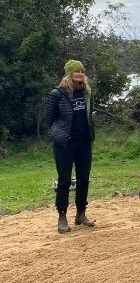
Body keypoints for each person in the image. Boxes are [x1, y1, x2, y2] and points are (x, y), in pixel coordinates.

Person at [44, 59, 96, 234]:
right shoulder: (57, 94)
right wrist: (58, 134)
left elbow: (88, 116)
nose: (80, 74)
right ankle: (62, 216)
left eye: (82, 71)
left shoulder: (86, 92)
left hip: (84, 142)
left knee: (83, 178)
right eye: (76, 71)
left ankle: (81, 213)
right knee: (64, 180)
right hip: (65, 143)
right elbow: (49, 119)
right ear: (69, 74)